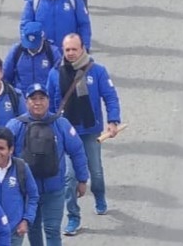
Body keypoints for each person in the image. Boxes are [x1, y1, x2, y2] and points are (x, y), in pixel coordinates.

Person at [46, 34, 121, 234]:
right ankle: (73, 217)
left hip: (90, 131)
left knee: (95, 172)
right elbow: (50, 104)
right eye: (67, 49)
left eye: (74, 49)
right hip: (66, 133)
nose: (70, 53)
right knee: (69, 178)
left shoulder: (97, 71)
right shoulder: (55, 74)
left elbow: (110, 97)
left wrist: (113, 121)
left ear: (82, 49)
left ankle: (99, 194)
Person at [5, 84, 88, 246]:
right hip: (27, 192)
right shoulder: (15, 126)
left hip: (54, 190)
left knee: (52, 230)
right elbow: (3, 157)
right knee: (34, 230)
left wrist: (82, 179)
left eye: (42, 98)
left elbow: (77, 151)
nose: (38, 102)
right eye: (33, 99)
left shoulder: (61, 124)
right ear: (26, 102)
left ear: (48, 101)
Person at [0, 127, 40, 246]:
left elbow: (33, 196)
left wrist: (26, 220)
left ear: (11, 149)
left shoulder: (21, 168)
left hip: (14, 232)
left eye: (1, 148)